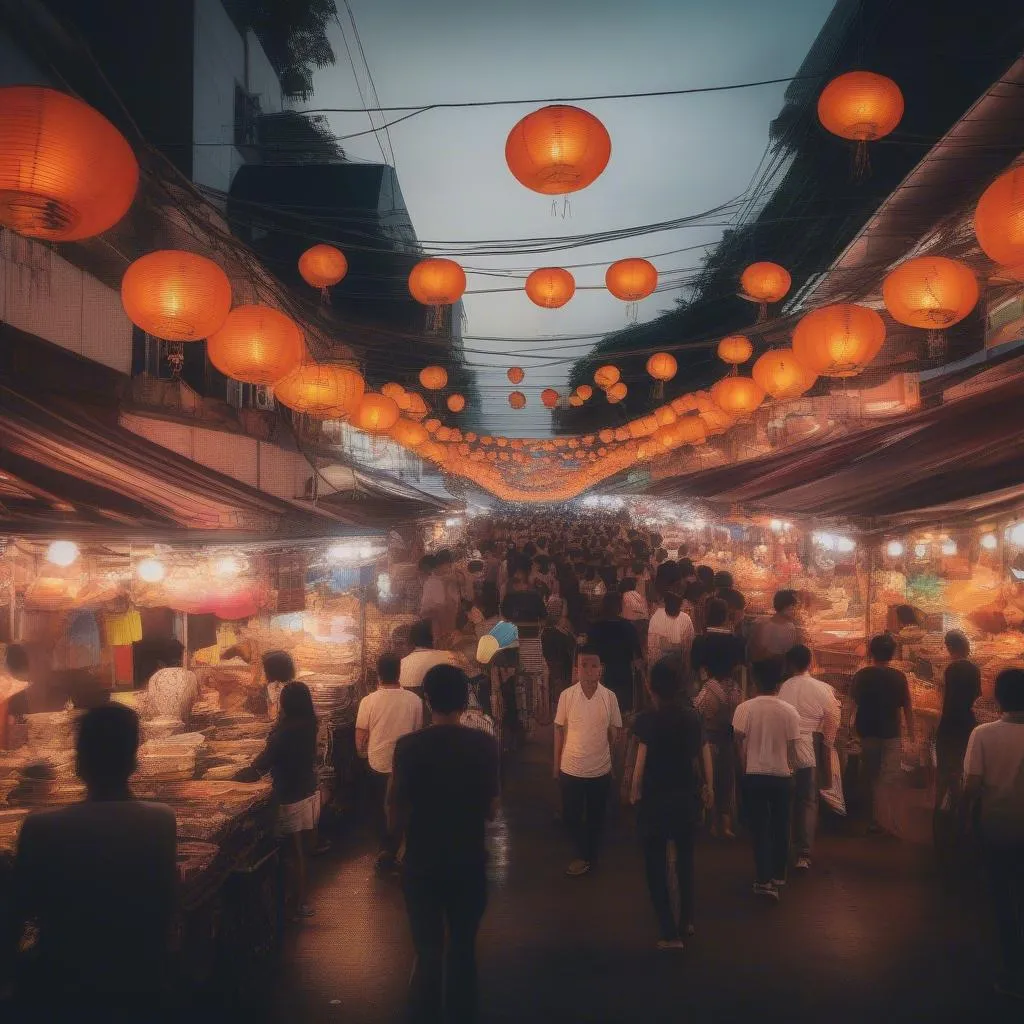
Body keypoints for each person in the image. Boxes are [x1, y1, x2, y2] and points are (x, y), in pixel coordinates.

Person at [4, 704, 177, 1017]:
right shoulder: (162, 821)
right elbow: (165, 904)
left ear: (79, 763)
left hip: (62, 984)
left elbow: (18, 914)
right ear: (133, 761)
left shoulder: (41, 827)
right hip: (140, 980)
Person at [389, 664, 500, 1024]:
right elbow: (492, 810)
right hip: (468, 862)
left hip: (422, 863)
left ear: (427, 700)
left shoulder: (407, 747)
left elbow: (395, 806)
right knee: (463, 949)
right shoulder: (484, 745)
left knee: (428, 949)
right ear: (464, 699)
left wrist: (399, 844)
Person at [630, 660, 708, 950]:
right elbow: (703, 754)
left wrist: (634, 791)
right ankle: (687, 919)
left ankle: (668, 931)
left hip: (655, 800)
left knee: (655, 864)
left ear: (652, 687)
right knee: (686, 861)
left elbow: (640, 761)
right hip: (686, 796)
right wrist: (709, 786)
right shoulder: (692, 718)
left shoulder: (646, 720)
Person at [961, 668, 1024, 999]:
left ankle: (1013, 972)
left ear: (998, 698)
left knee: (1002, 898)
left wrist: (964, 819)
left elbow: (971, 785)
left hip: (996, 825)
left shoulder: (983, 734)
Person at [245, 673, 319, 918]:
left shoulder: (285, 733)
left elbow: (264, 762)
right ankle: (298, 899)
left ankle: (297, 903)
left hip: (290, 795)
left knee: (293, 851)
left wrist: (240, 775)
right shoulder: (309, 724)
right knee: (301, 851)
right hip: (307, 790)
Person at [732, 657, 800, 900]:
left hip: (755, 775)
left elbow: (738, 743)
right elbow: (792, 749)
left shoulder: (744, 709)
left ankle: (763, 879)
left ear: (755, 681)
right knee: (782, 827)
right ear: (779, 684)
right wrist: (791, 770)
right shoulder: (790, 712)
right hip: (782, 775)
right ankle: (779, 875)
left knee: (760, 828)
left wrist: (744, 768)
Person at [553, 641, 623, 876]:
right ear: (577, 668)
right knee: (571, 816)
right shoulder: (567, 696)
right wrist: (556, 765)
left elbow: (616, 732)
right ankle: (584, 854)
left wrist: (614, 764)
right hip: (570, 768)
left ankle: (588, 857)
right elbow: (559, 730)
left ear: (601, 668)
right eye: (584, 665)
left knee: (596, 816)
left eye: (594, 665)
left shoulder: (609, 697)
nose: (589, 670)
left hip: (600, 769)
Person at [356, 653, 424, 872]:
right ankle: (402, 850)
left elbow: (360, 739)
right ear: (399, 672)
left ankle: (386, 850)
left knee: (383, 808)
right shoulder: (414, 700)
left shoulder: (368, 701)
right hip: (407, 764)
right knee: (404, 807)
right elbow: (418, 733)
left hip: (378, 763)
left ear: (378, 673)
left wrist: (362, 754)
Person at [778, 644, 841, 870]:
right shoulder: (822, 689)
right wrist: (827, 747)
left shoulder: (784, 688)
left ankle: (784, 846)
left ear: (790, 664)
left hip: (785, 746)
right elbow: (832, 719)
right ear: (810, 662)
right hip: (810, 745)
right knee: (807, 799)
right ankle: (803, 853)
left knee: (787, 798)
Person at [849, 633, 913, 836]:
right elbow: (908, 707)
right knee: (890, 778)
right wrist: (911, 734)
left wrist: (847, 729)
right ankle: (891, 821)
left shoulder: (861, 675)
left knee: (871, 775)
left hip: (868, 732)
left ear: (871, 652)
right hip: (891, 733)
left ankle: (874, 819)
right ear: (892, 654)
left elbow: (852, 704)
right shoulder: (899, 677)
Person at [693, 630, 744, 840]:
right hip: (729, 739)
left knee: (709, 780)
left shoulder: (708, 690)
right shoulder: (735, 689)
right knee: (727, 781)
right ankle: (726, 823)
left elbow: (697, 712)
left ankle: (711, 823)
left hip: (710, 740)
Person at [935, 630, 981, 817]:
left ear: (950, 647)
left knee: (946, 767)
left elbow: (943, 697)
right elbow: (977, 696)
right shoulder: (974, 668)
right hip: (968, 721)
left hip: (949, 722)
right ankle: (961, 807)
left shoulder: (949, 669)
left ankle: (944, 807)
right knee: (964, 765)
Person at [590, 591, 644, 713]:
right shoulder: (628, 627)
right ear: (619, 607)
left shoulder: (595, 628)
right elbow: (638, 659)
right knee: (622, 715)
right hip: (624, 678)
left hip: (601, 678)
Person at [690, 598, 745, 683]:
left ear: (707, 615)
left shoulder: (699, 641)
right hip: (728, 690)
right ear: (726, 616)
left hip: (705, 689)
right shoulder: (736, 641)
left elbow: (695, 667)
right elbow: (740, 666)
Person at [400, 620, 456, 691]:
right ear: (434, 638)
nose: (445, 636)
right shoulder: (451, 657)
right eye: (441, 635)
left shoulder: (401, 664)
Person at [747, 589, 802, 661]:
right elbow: (757, 654)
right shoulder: (763, 625)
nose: (797, 610)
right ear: (786, 606)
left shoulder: (791, 627)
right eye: (794, 606)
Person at [541, 597, 576, 707]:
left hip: (547, 672)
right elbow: (572, 651)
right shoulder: (564, 634)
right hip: (562, 674)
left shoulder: (542, 633)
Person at [647, 591, 695, 667]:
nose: (673, 608)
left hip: (679, 665)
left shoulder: (685, 619)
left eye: (676, 606)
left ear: (680, 606)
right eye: (671, 606)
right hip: (660, 664)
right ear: (665, 605)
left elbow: (689, 646)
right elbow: (652, 647)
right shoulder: (656, 618)